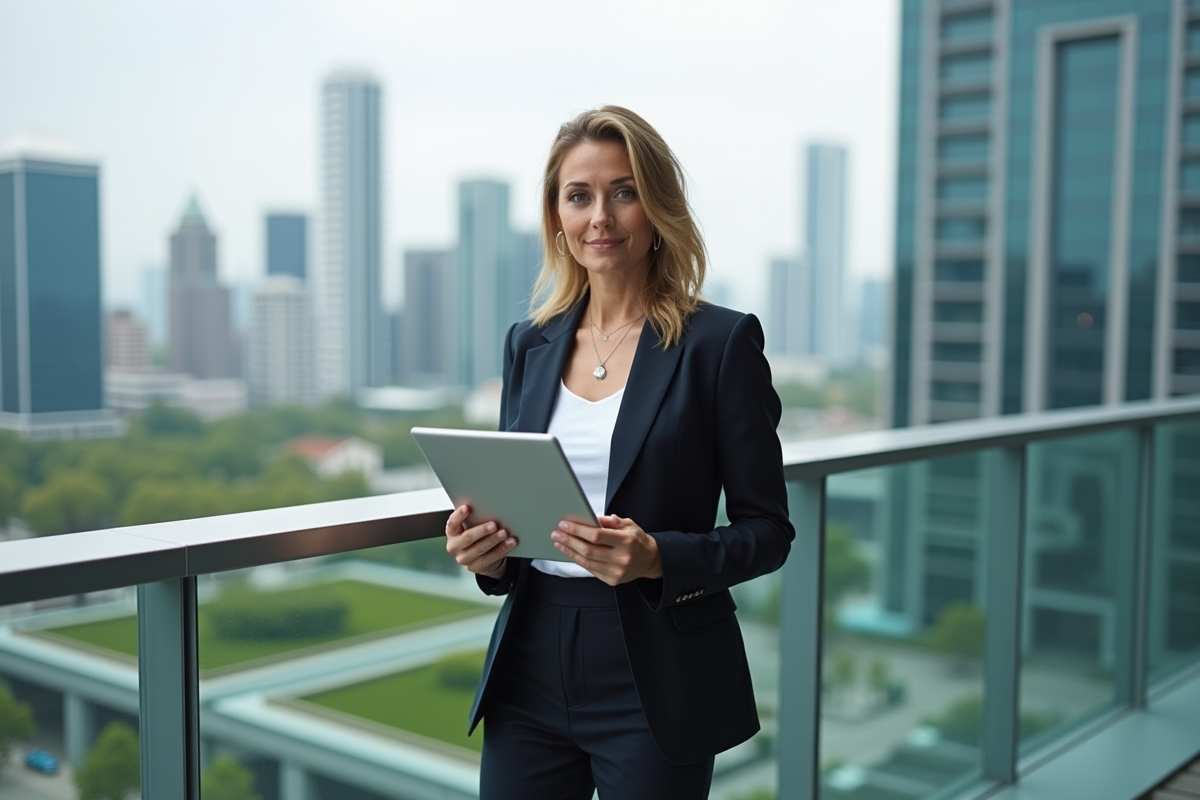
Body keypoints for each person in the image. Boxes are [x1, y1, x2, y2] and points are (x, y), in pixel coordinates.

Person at [443, 105, 794, 800]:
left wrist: (657, 557)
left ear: (657, 207)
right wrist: (487, 553)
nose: (599, 217)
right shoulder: (529, 343)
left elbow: (769, 532)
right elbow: (518, 506)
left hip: (657, 670)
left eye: (623, 192)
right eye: (579, 196)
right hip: (530, 660)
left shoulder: (719, 344)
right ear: (557, 216)